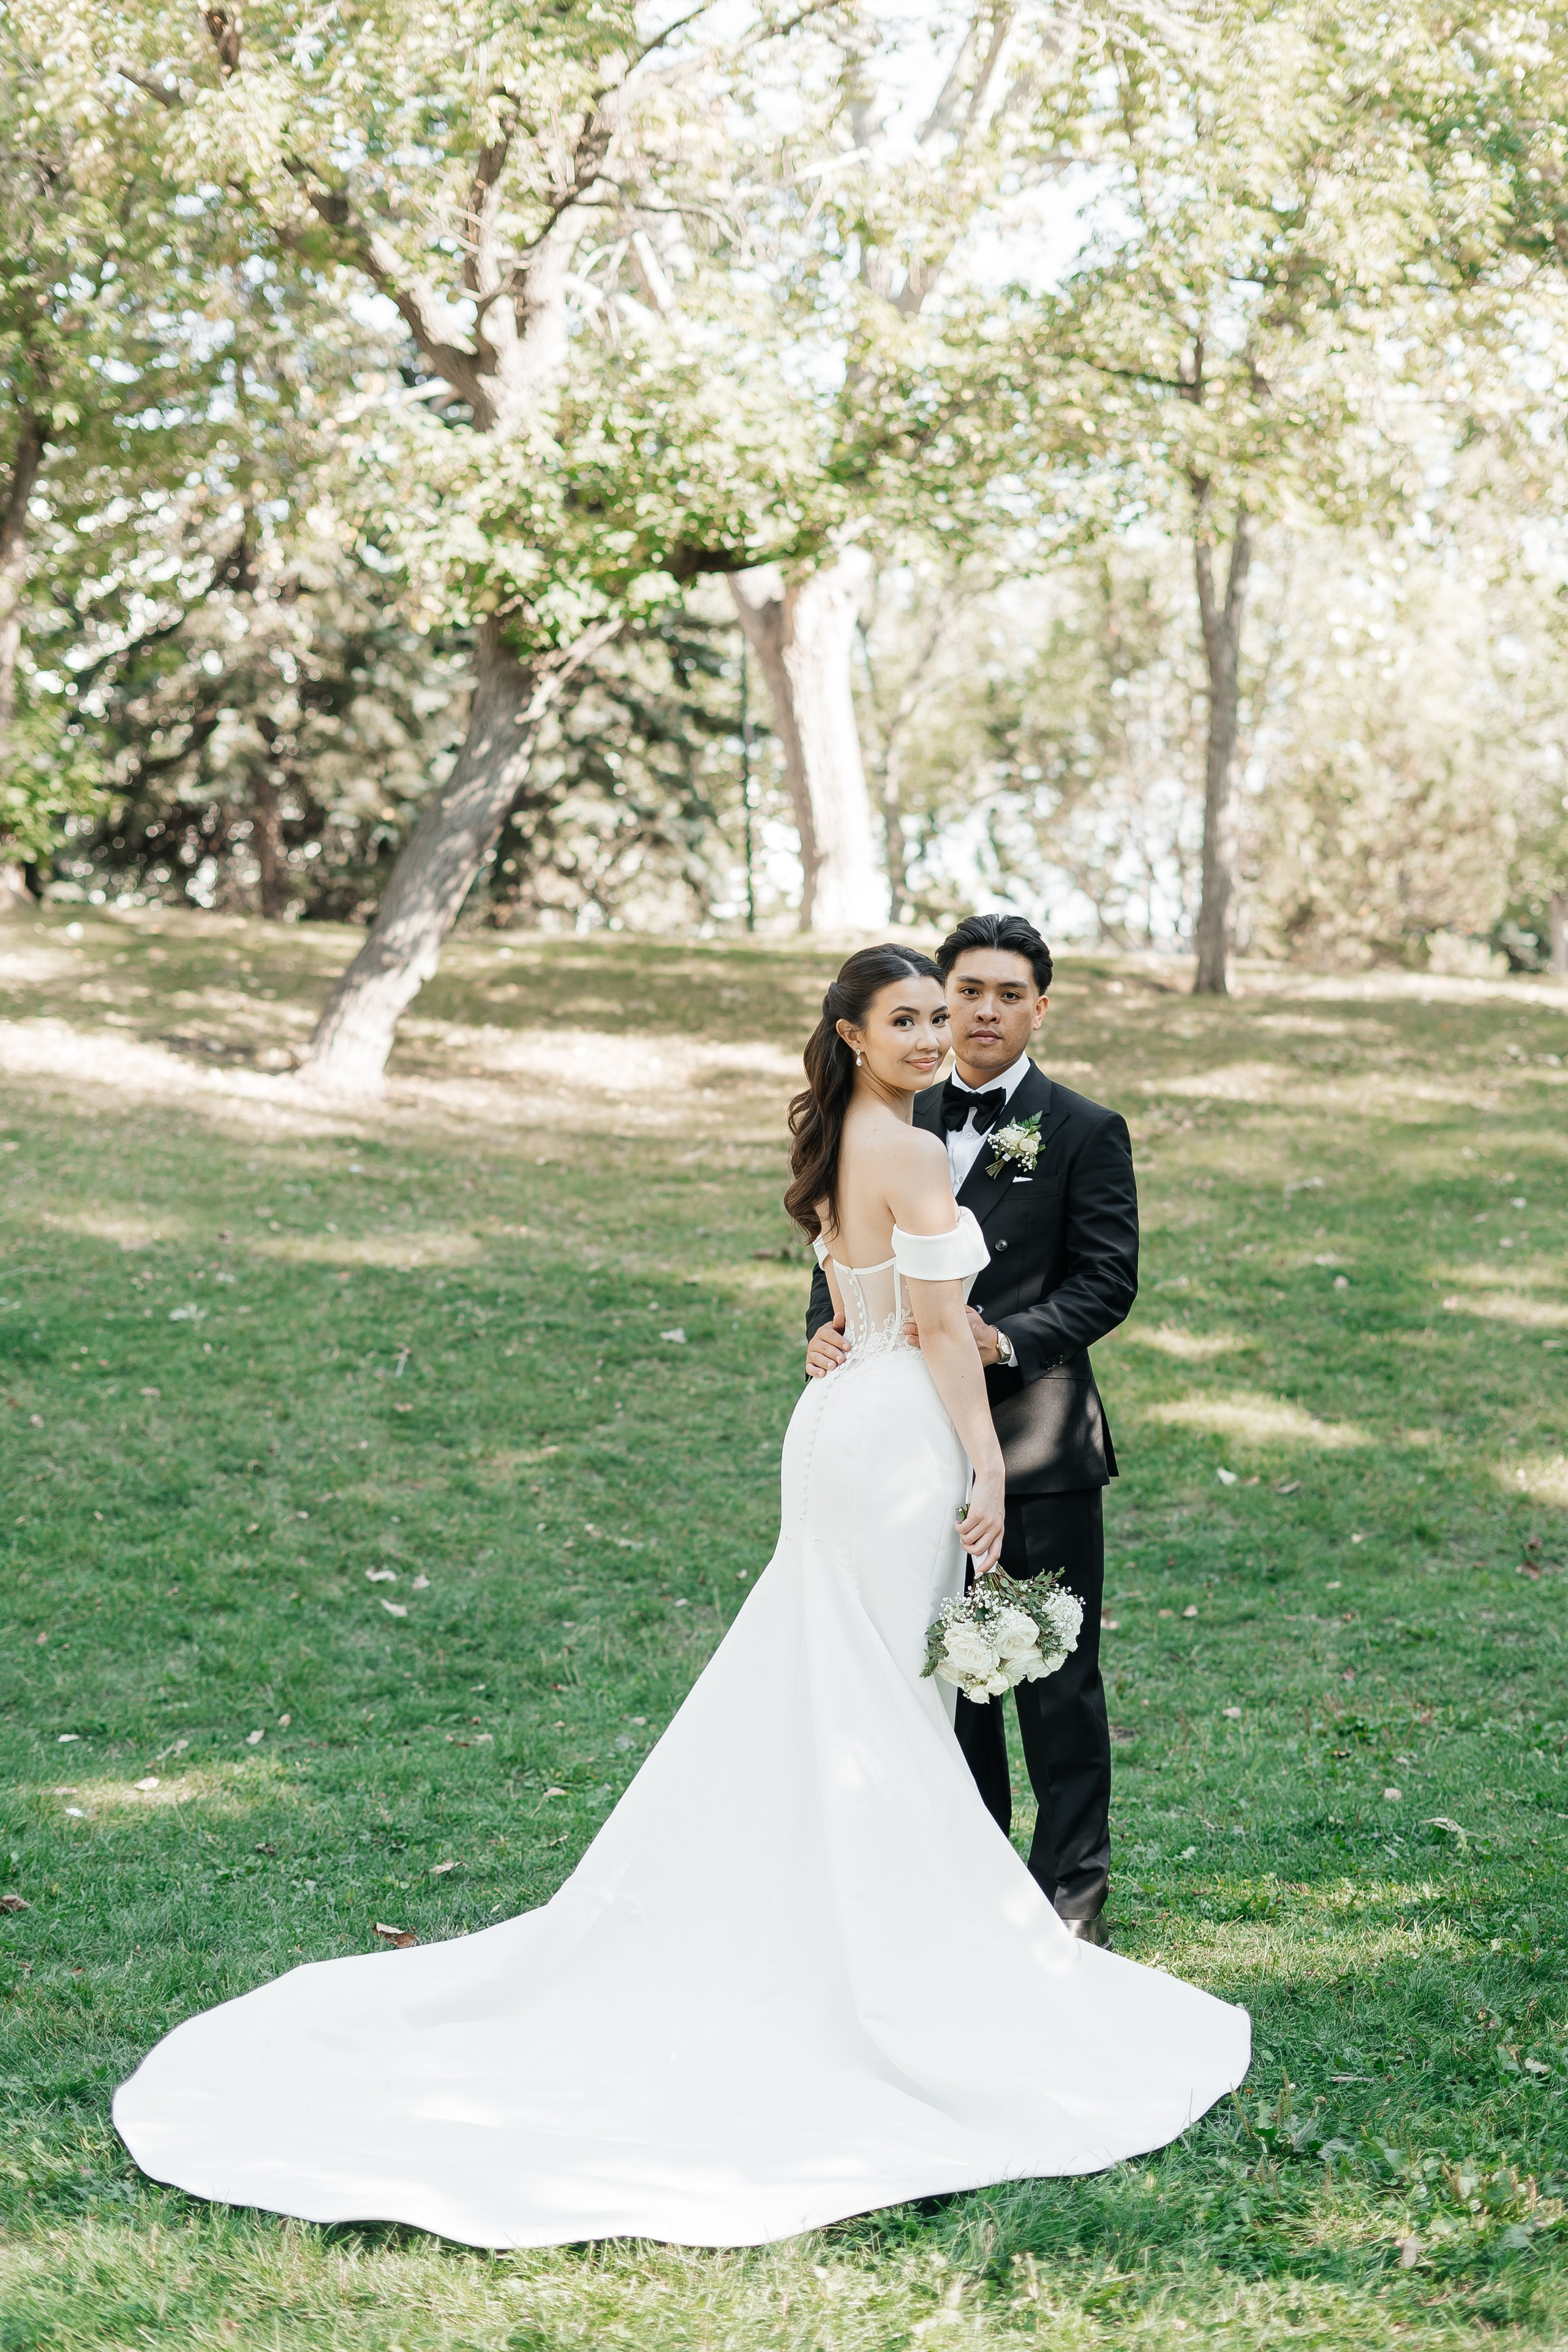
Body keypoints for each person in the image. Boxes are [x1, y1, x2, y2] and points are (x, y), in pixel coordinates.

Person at [113, 944, 1246, 2253]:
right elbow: (940, 1331)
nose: (937, 1035)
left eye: (943, 1016)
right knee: (883, 1696)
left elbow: (887, 1289)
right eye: (909, 1017)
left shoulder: (847, 1136)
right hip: (899, 1440)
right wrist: (985, 1464)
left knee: (855, 1687)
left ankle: (871, 1922)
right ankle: (881, 1953)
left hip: (842, 1425)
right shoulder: (908, 1145)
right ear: (852, 1033)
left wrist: (857, 1334)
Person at [806, 914, 1135, 1946]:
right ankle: (973, 1888)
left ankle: (1071, 1901)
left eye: (1007, 995)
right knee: (948, 1682)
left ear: (1040, 1008)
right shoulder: (896, 1111)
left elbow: (1107, 1281)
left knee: (1056, 1682)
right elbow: (850, 1247)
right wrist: (826, 1329)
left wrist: (1005, 1341)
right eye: (965, 995)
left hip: (1032, 1446)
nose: (981, 1014)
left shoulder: (1084, 1128)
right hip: (908, 1456)